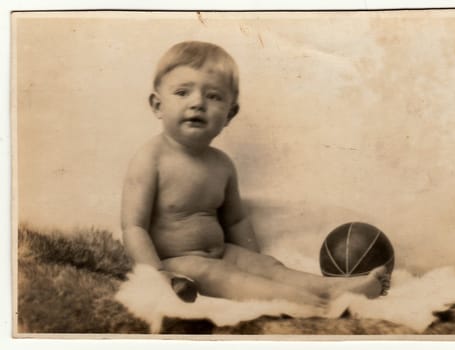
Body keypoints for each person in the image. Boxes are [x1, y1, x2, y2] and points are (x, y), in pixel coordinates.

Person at [121, 41, 390, 307]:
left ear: (229, 114)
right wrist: (156, 274)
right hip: (175, 262)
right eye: (182, 92)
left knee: (271, 267)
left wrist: (255, 263)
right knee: (226, 276)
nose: (197, 103)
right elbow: (134, 227)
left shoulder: (222, 164)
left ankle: (336, 287)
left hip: (221, 252)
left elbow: (236, 220)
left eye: (213, 96)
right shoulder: (150, 159)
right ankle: (314, 305)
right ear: (157, 105)